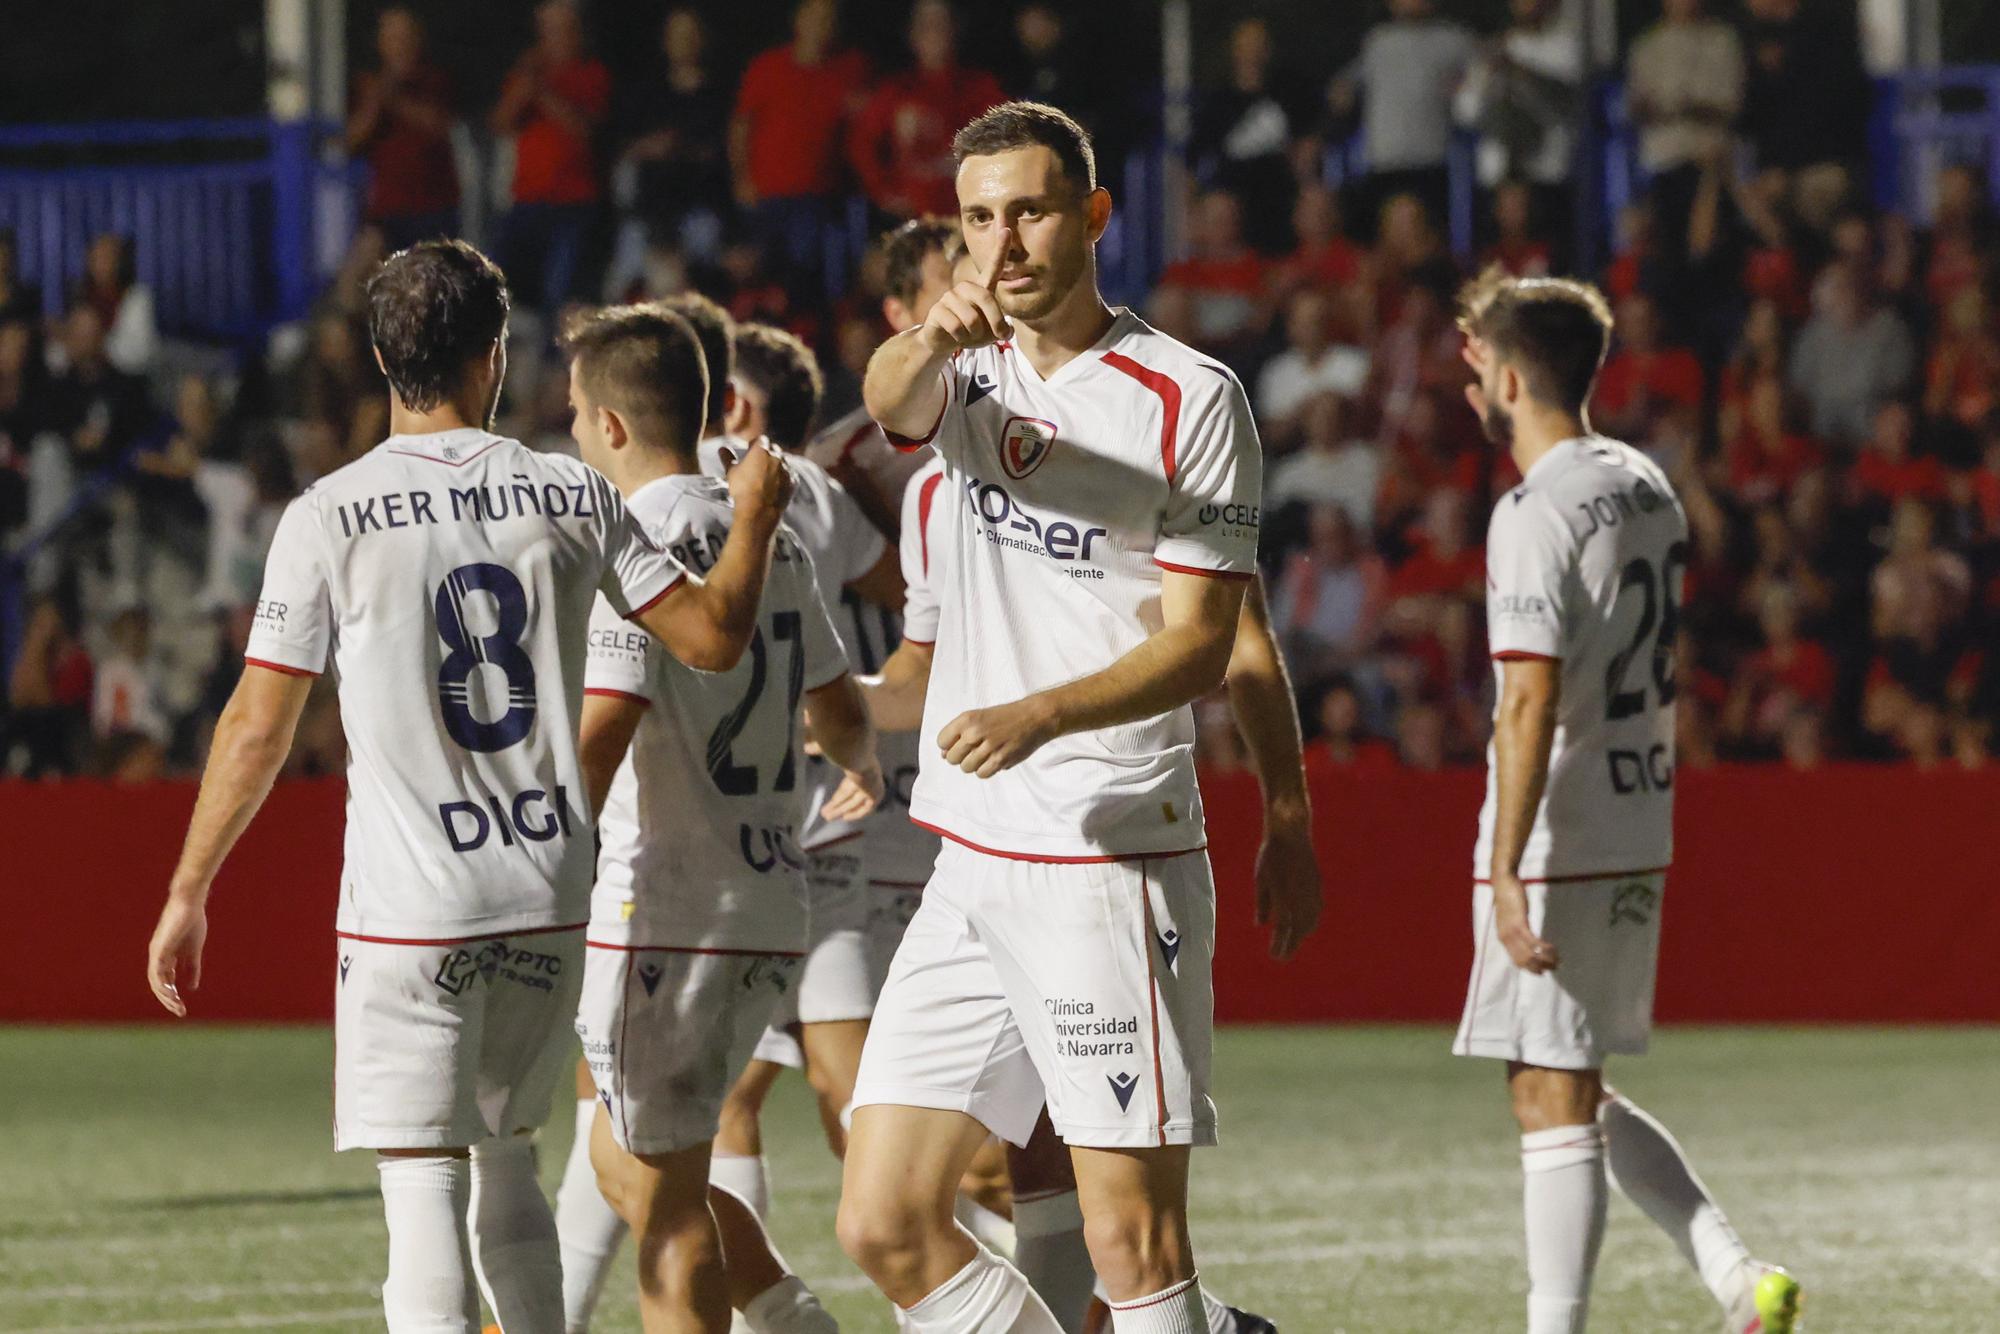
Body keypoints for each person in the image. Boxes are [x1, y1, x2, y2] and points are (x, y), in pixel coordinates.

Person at [141, 238, 796, 1334]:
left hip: (414, 907)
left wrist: (188, 885)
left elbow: (260, 722)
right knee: (510, 1171)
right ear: (493, 357)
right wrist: (759, 517)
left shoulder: (328, 514)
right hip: (547, 892)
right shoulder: (574, 490)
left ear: (379, 358)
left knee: (423, 1197)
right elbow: (715, 637)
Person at [847, 98, 1275, 1332]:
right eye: (978, 220)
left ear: (1092, 214)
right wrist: (928, 335)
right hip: (971, 859)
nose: (1002, 244)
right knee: (883, 1220)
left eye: (1029, 211)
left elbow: (1202, 644)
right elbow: (885, 398)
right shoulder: (962, 367)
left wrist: (1037, 713)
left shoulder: (1185, 396)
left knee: (1127, 1240)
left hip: (1105, 856)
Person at [1451, 267, 1800, 1334]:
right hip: (1636, 806)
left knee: (1547, 1096)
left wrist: (1505, 866)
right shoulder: (1644, 480)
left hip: (1561, 824)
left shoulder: (1531, 510)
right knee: (1571, 1081)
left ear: (1510, 378)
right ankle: (1735, 1275)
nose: (1468, 387)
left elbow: (1526, 696)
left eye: (1473, 367)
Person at [560, 303, 867, 1333]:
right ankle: (796, 1323)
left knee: (664, 1214)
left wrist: (543, 857)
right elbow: (838, 702)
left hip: (668, 904)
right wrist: (842, 761)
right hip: (769, 900)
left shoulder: (631, 545)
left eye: (571, 415)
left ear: (608, 424)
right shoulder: (763, 537)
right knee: (632, 1167)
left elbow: (605, 730)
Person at [808, 217, 962, 535]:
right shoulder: (842, 459)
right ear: (897, 314)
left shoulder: (1038, 394)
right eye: (952, 289)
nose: (973, 300)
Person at [732, 0, 871, 303]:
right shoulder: (767, 67)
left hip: (823, 197)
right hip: (769, 196)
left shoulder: (850, 68)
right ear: (798, 20)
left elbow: (863, 125)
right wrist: (741, 178)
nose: (822, 25)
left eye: (829, 19)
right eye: (815, 17)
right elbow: (742, 127)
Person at [491, 0, 610, 315]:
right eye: (548, 30)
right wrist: (525, 84)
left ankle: (553, 359)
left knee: (560, 290)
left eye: (563, 30)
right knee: (489, 279)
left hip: (574, 203)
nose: (554, 38)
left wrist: (542, 91)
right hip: (527, 202)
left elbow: (584, 131)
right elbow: (500, 124)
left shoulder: (592, 74)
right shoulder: (526, 75)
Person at [848, 0, 1007, 222]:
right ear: (912, 34)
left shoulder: (982, 88)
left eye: (941, 23)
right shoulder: (896, 91)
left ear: (956, 29)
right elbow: (862, 144)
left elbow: (1007, 144)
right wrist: (884, 192)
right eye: (925, 24)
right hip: (911, 223)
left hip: (967, 222)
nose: (934, 32)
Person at [344, 6, 459, 251]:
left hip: (432, 209)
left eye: (406, 38)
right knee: (357, 272)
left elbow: (437, 126)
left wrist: (393, 99)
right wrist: (375, 101)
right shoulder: (370, 87)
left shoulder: (434, 80)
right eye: (392, 39)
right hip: (387, 211)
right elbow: (351, 141)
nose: (400, 46)